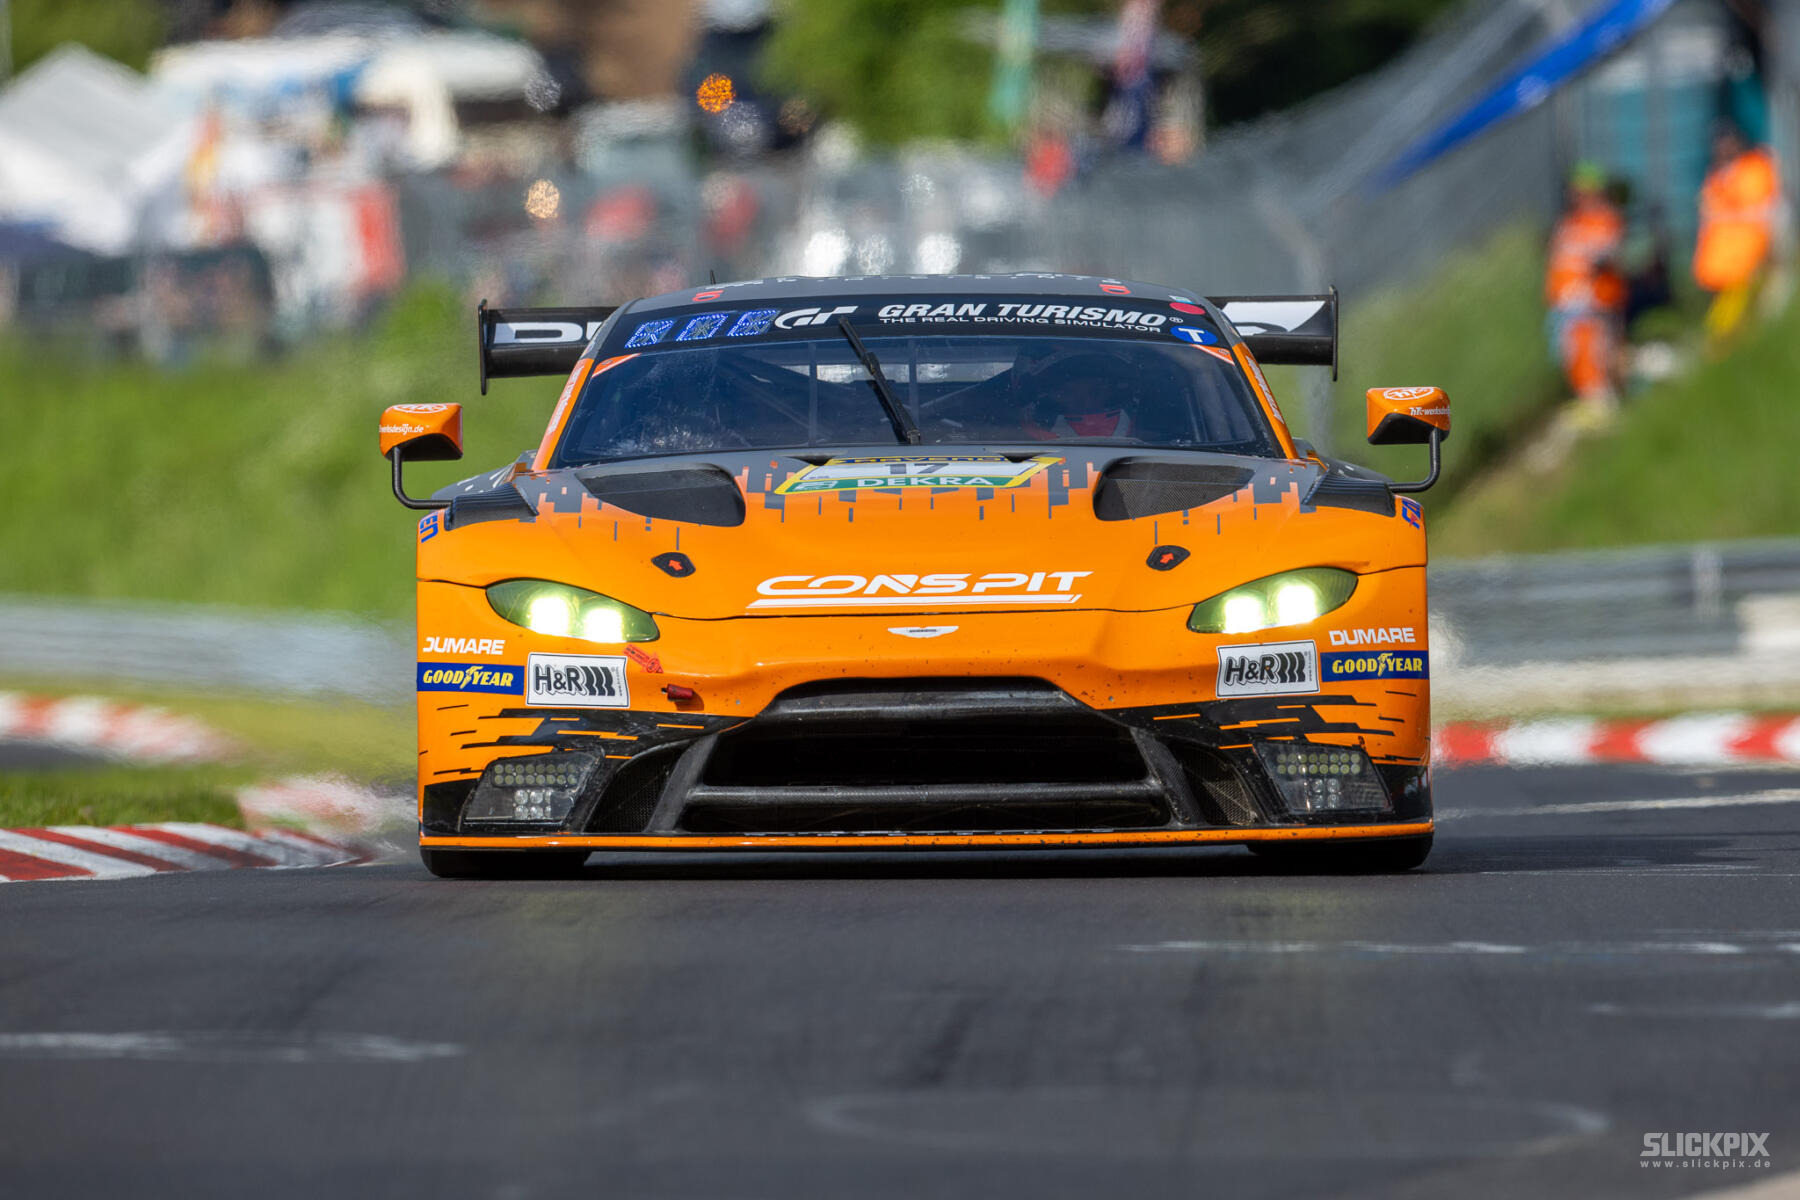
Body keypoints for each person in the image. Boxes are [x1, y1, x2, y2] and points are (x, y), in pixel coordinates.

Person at [1545, 162, 1628, 413]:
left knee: (1598, 353)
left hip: (1594, 301)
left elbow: (1605, 255)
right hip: (1567, 303)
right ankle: (1592, 401)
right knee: (1574, 355)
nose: (1577, 197)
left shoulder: (1604, 220)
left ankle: (1603, 404)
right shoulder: (1569, 224)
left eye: (1582, 191)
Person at [1694, 123, 1781, 352]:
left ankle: (1722, 348)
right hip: (1720, 261)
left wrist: (1726, 214)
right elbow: (1707, 211)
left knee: (1733, 317)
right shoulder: (1717, 176)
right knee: (1726, 314)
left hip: (1745, 257)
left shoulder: (1755, 169)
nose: (1723, 148)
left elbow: (1763, 209)